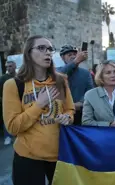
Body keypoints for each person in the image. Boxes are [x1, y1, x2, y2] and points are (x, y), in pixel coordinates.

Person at [2, 35, 75, 185]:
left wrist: (68, 117)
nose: (47, 52)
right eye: (41, 48)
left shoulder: (60, 80)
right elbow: (13, 127)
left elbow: (70, 110)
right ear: (28, 53)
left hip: (60, 155)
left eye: (50, 49)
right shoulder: (14, 85)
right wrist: (38, 105)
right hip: (27, 157)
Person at [57, 44, 94, 125]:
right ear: (62, 58)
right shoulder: (57, 71)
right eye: (69, 55)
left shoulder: (86, 73)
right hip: (62, 115)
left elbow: (90, 91)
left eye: (75, 54)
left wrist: (80, 103)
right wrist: (76, 61)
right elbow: (60, 75)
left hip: (81, 113)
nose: (73, 56)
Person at [0, 61, 16, 145]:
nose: (8, 68)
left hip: (19, 101)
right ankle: (8, 137)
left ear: (14, 66)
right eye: (7, 67)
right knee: (7, 119)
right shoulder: (3, 78)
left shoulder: (19, 76)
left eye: (10, 66)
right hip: (7, 102)